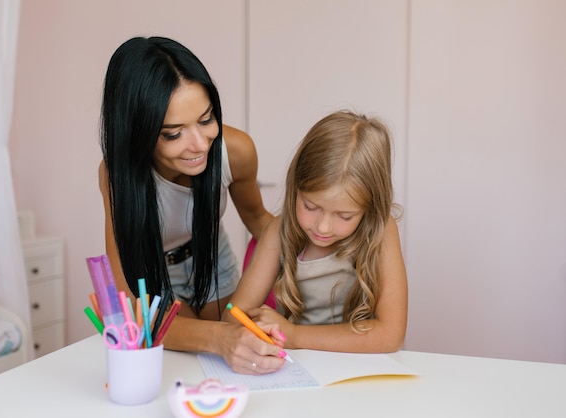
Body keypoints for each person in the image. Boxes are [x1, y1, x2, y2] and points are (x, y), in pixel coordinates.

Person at [98, 36, 284, 374]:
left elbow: (259, 220)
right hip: (153, 275)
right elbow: (130, 302)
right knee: (184, 367)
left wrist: (317, 253)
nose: (199, 145)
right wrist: (222, 338)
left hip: (211, 259)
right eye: (173, 133)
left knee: (223, 368)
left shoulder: (236, 151)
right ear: (137, 131)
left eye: (206, 119)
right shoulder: (117, 176)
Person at [223, 110, 408, 353]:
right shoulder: (279, 231)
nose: (322, 227)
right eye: (310, 206)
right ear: (295, 188)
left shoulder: (382, 231)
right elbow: (233, 317)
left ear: (370, 209)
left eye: (345, 216)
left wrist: (295, 335)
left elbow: (391, 335)